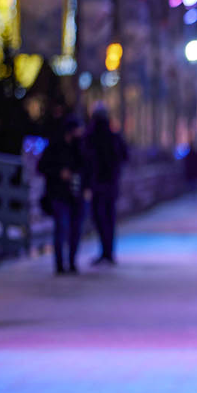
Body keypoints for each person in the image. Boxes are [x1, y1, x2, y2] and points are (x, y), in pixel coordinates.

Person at [37, 117, 89, 275]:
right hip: (59, 193)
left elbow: (87, 168)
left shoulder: (80, 147)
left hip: (76, 194)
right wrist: (59, 173)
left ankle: (72, 262)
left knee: (75, 229)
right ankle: (60, 264)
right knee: (62, 227)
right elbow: (42, 167)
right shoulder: (55, 146)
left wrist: (87, 188)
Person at [83, 105, 129, 266]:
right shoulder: (113, 135)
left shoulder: (91, 136)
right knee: (109, 218)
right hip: (110, 183)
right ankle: (108, 252)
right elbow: (124, 155)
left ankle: (106, 251)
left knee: (100, 217)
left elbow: (86, 159)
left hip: (98, 184)